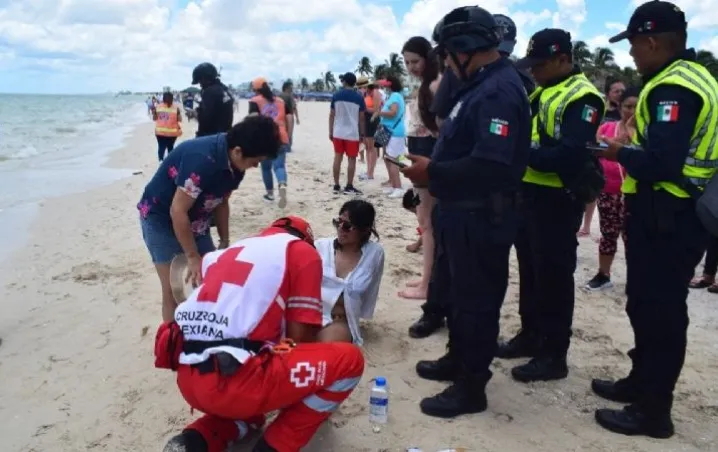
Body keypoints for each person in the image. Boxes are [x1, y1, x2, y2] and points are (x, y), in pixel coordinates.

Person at [593, 0, 718, 438]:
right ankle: (640, 383)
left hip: (670, 211)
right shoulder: (695, 74)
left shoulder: (672, 88)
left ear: (652, 41)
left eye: (633, 44)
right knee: (645, 303)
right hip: (673, 210)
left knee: (661, 311)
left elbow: (663, 162)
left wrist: (618, 152)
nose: (630, 54)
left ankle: (653, 412)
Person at [401, 6, 531, 418]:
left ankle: (471, 387)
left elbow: (491, 164)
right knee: (458, 294)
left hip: (480, 215)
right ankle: (458, 360)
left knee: (476, 301)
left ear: (464, 49)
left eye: (448, 53)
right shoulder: (477, 83)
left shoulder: (497, 92)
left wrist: (432, 169)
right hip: (461, 211)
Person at [158, 216, 365, 452]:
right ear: (305, 240)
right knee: (350, 360)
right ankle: (274, 446)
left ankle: (196, 440)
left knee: (252, 409)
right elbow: (299, 340)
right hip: (236, 383)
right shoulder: (302, 253)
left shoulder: (227, 252)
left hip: (188, 376)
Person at [496, 29, 604, 382]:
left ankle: (553, 353)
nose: (535, 72)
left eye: (541, 65)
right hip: (529, 194)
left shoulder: (584, 97)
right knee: (530, 271)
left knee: (554, 278)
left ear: (563, 59)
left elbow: (569, 154)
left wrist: (521, 153)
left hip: (558, 200)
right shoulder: (544, 90)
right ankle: (530, 334)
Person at [137, 116, 281, 323]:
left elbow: (221, 202)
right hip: (160, 217)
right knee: (174, 289)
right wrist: (192, 256)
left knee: (211, 280)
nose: (254, 167)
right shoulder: (202, 160)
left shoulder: (236, 164)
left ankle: (200, 334)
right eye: (254, 162)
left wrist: (224, 240)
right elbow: (177, 211)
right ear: (237, 151)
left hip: (197, 217)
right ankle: (170, 346)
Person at [399, 36, 441, 300]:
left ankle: (428, 283)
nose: (411, 67)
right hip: (417, 151)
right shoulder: (425, 86)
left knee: (428, 223)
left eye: (415, 61)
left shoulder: (433, 87)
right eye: (406, 62)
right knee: (426, 221)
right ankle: (428, 278)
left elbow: (439, 130)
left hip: (427, 155)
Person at [585, 87, 638, 291]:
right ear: (620, 106)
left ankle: (635, 279)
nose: (631, 111)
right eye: (627, 106)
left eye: (636, 106)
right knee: (608, 232)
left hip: (634, 192)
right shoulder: (607, 128)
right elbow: (596, 149)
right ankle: (603, 274)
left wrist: (631, 135)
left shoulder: (646, 133)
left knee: (633, 237)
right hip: (609, 188)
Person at [315, 200, 384, 345]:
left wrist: (359, 314)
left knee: (325, 349)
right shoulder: (320, 246)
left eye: (347, 226)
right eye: (338, 222)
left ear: (364, 230)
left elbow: (372, 290)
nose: (340, 228)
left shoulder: (375, 253)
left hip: (338, 321)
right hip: (309, 315)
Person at [249, 77, 291, 208]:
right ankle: (282, 183)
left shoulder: (254, 101)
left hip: (264, 137)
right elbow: (289, 119)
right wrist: (288, 135)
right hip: (281, 136)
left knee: (266, 167)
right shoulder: (281, 101)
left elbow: (253, 120)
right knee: (279, 166)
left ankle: (270, 193)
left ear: (256, 89)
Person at [329, 72, 366, 194]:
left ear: (344, 81)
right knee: (352, 159)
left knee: (337, 157)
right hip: (352, 133)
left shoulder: (336, 95)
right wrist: (362, 134)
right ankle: (349, 185)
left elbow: (332, 115)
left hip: (338, 131)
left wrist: (330, 131)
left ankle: (336, 185)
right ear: (354, 83)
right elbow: (361, 118)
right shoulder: (359, 97)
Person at [373, 76, 406, 199]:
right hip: (390, 131)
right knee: (388, 158)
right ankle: (393, 185)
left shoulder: (396, 96)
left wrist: (379, 112)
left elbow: (393, 113)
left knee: (393, 160)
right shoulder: (393, 96)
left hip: (395, 132)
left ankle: (398, 187)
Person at [192, 62, 234, 138]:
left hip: (211, 137)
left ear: (205, 78)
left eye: (200, 81)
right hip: (224, 135)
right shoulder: (224, 90)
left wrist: (194, 113)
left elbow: (205, 119)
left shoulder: (210, 92)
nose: (200, 84)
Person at [357, 77, 383, 181]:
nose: (361, 89)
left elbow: (377, 110)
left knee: (372, 148)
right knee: (368, 147)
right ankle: (368, 171)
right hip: (366, 121)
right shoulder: (366, 94)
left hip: (373, 121)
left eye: (362, 87)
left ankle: (371, 173)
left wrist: (364, 108)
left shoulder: (375, 92)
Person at [153, 92, 183, 162]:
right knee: (170, 147)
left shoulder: (158, 107)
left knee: (161, 147)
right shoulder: (176, 108)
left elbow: (154, 119)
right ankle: (170, 162)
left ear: (163, 99)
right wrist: (178, 114)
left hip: (160, 132)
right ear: (172, 99)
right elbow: (180, 120)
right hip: (172, 133)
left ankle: (161, 161)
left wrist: (155, 113)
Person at [279, 81, 298, 149]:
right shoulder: (290, 96)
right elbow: (294, 107)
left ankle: (281, 145)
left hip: (279, 116)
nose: (292, 89)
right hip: (289, 116)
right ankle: (288, 147)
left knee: (281, 131)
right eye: (291, 87)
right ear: (287, 88)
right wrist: (297, 118)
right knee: (289, 131)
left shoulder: (279, 95)